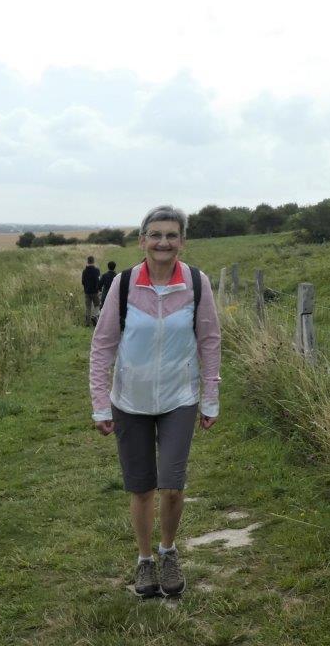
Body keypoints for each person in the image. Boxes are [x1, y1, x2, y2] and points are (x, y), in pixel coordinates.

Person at [89, 205, 221, 598]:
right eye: (156, 235)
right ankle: (144, 561)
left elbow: (210, 342)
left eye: (172, 235)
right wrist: (100, 402)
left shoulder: (197, 283)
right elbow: (103, 344)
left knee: (173, 485)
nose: (164, 242)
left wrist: (209, 398)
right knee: (142, 487)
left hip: (179, 397)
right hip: (130, 400)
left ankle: (168, 551)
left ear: (182, 240)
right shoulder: (125, 283)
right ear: (142, 239)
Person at [81, 256, 101, 325]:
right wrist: (99, 289)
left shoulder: (84, 271)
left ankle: (87, 322)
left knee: (88, 307)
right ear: (93, 261)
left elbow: (83, 282)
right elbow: (98, 281)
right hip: (95, 291)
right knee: (97, 305)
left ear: (87, 261)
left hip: (87, 291)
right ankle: (95, 317)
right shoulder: (97, 270)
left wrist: (86, 287)